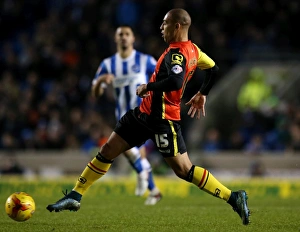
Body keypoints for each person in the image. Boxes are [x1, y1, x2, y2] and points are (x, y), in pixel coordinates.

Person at [47, 8, 250, 225]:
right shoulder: (194, 50)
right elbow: (213, 69)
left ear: (177, 26)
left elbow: (175, 81)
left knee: (184, 170)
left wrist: (148, 87)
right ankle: (76, 195)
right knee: (108, 150)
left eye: (164, 23)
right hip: (142, 115)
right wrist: (202, 93)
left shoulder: (177, 55)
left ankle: (233, 197)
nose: (161, 27)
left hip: (163, 120)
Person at [91, 25, 161, 205]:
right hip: (122, 116)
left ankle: (144, 177)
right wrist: (100, 81)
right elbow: (95, 93)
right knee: (135, 154)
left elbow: (161, 78)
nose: (123, 37)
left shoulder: (145, 60)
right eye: (120, 34)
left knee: (128, 150)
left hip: (143, 115)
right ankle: (151, 187)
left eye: (127, 34)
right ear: (115, 39)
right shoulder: (108, 64)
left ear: (133, 38)